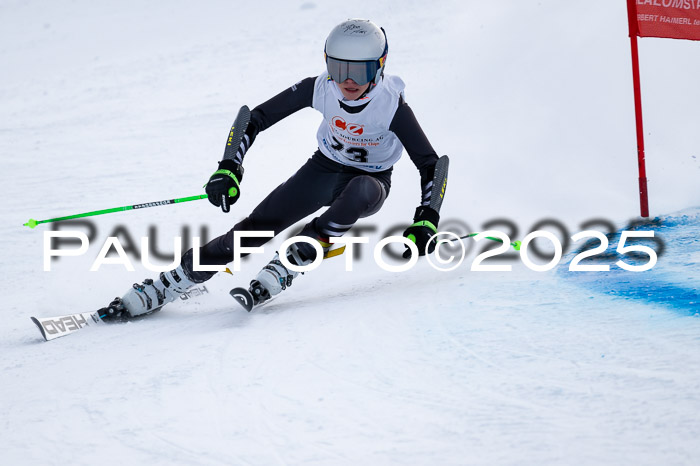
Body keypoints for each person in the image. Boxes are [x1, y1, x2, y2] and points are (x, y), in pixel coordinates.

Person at [100, 18, 448, 319]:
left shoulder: (390, 106)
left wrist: (426, 218)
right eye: (339, 68)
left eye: (360, 70)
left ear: (380, 66)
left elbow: (431, 165)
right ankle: (174, 282)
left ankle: (292, 260)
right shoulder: (320, 88)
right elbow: (255, 118)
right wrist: (229, 166)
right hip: (323, 169)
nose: (348, 81)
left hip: (371, 181)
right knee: (254, 229)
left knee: (358, 192)